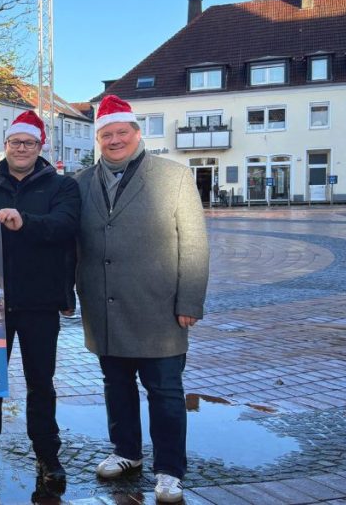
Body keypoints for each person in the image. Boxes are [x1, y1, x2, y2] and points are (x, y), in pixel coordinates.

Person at [74, 95, 209, 503]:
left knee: (165, 391)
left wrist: (190, 301)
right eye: (106, 134)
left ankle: (169, 470)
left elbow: (195, 243)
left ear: (136, 133)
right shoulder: (80, 182)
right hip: (104, 305)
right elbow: (69, 242)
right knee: (116, 385)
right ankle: (126, 452)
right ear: (98, 139)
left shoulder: (174, 176)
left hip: (158, 307)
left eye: (121, 133)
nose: (114, 140)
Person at [0, 110, 80, 497]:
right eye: (15, 142)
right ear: (6, 145)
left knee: (41, 384)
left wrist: (25, 220)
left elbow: (66, 226)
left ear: (39, 146)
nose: (21, 148)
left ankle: (48, 455)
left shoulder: (61, 186)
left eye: (29, 143)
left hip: (39, 303)